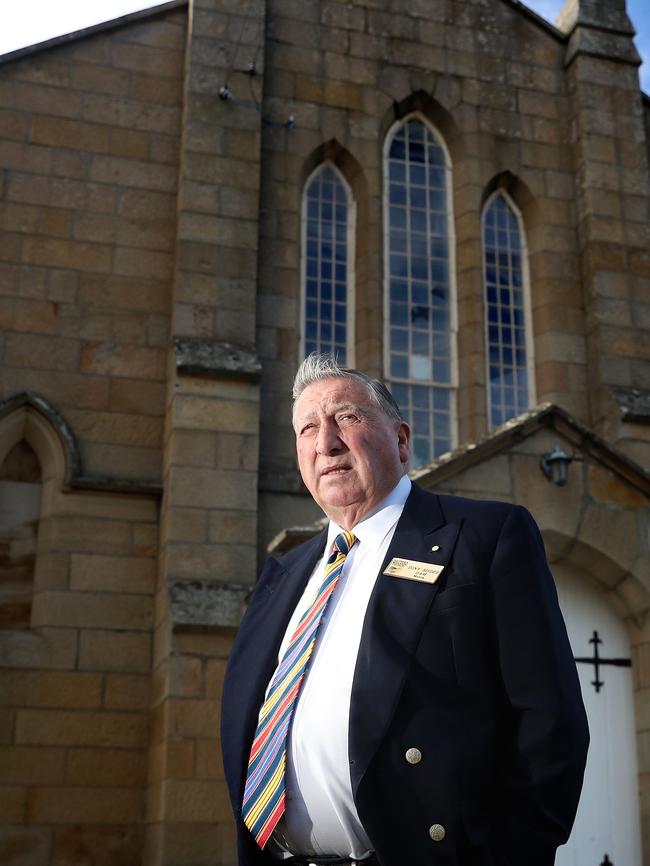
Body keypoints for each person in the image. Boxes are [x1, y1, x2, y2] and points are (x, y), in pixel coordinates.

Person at [221, 353, 589, 866]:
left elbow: (550, 723)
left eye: (346, 418)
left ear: (400, 439)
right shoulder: (283, 574)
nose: (325, 442)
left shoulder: (483, 538)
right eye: (307, 428)